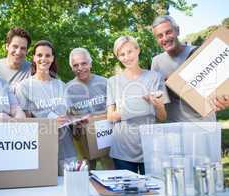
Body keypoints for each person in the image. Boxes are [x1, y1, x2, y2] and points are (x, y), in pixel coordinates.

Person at [107, 35, 169, 174]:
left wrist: (156, 104)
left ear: (138, 50)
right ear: (118, 57)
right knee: (128, 194)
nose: (127, 57)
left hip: (151, 148)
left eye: (130, 51)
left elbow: (162, 117)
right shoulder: (112, 82)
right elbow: (110, 117)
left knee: (154, 193)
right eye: (121, 54)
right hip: (122, 150)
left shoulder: (155, 77)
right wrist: (134, 107)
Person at [151, 15, 229, 122]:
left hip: (204, 123)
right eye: (160, 36)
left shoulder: (198, 52)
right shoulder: (156, 62)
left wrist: (224, 99)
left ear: (177, 31)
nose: (165, 38)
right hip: (175, 126)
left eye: (168, 32)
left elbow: (220, 85)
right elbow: (159, 99)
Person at [16, 40, 76, 175]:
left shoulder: (61, 85)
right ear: (34, 58)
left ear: (53, 58)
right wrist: (49, 121)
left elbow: (70, 113)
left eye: (48, 55)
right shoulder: (24, 87)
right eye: (39, 55)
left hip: (65, 146)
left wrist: (74, 119)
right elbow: (23, 122)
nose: (44, 59)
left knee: (70, 184)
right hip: (40, 146)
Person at [65, 47, 114, 170]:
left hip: (106, 135)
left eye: (84, 63)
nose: (80, 68)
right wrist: (75, 122)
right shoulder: (68, 89)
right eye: (76, 65)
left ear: (90, 64)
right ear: (72, 68)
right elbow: (69, 116)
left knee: (111, 172)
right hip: (83, 138)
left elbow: (114, 109)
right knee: (86, 176)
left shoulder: (105, 83)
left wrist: (96, 118)